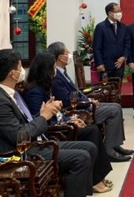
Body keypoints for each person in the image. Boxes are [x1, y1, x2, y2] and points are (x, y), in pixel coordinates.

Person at [0, 49, 97, 197]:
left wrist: (42, 113)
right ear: (13, 74)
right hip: (20, 154)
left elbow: (25, 123)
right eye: (20, 67)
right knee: (81, 158)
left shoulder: (10, 93)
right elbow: (19, 135)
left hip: (35, 144)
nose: (23, 71)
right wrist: (43, 116)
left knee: (90, 148)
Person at [22, 52, 113, 193]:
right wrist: (67, 123)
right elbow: (40, 119)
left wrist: (69, 120)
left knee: (92, 130)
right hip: (50, 133)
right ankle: (95, 180)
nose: (55, 72)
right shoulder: (35, 92)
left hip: (57, 125)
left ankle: (97, 178)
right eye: (52, 68)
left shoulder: (44, 86)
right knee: (92, 132)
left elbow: (53, 112)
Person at [48, 41, 133, 162]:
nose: (69, 56)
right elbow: (67, 99)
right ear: (61, 57)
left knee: (116, 106)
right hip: (79, 109)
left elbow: (76, 92)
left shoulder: (62, 71)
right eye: (67, 53)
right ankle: (109, 150)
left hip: (85, 103)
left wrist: (89, 99)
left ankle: (114, 145)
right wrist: (88, 102)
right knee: (113, 111)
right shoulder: (56, 76)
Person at [93, 2, 131, 80]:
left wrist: (124, 57)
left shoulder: (123, 27)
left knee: (117, 89)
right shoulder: (101, 27)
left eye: (120, 11)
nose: (120, 13)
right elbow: (96, 47)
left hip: (119, 65)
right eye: (117, 11)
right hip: (106, 65)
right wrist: (99, 63)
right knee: (106, 90)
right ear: (110, 13)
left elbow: (128, 43)